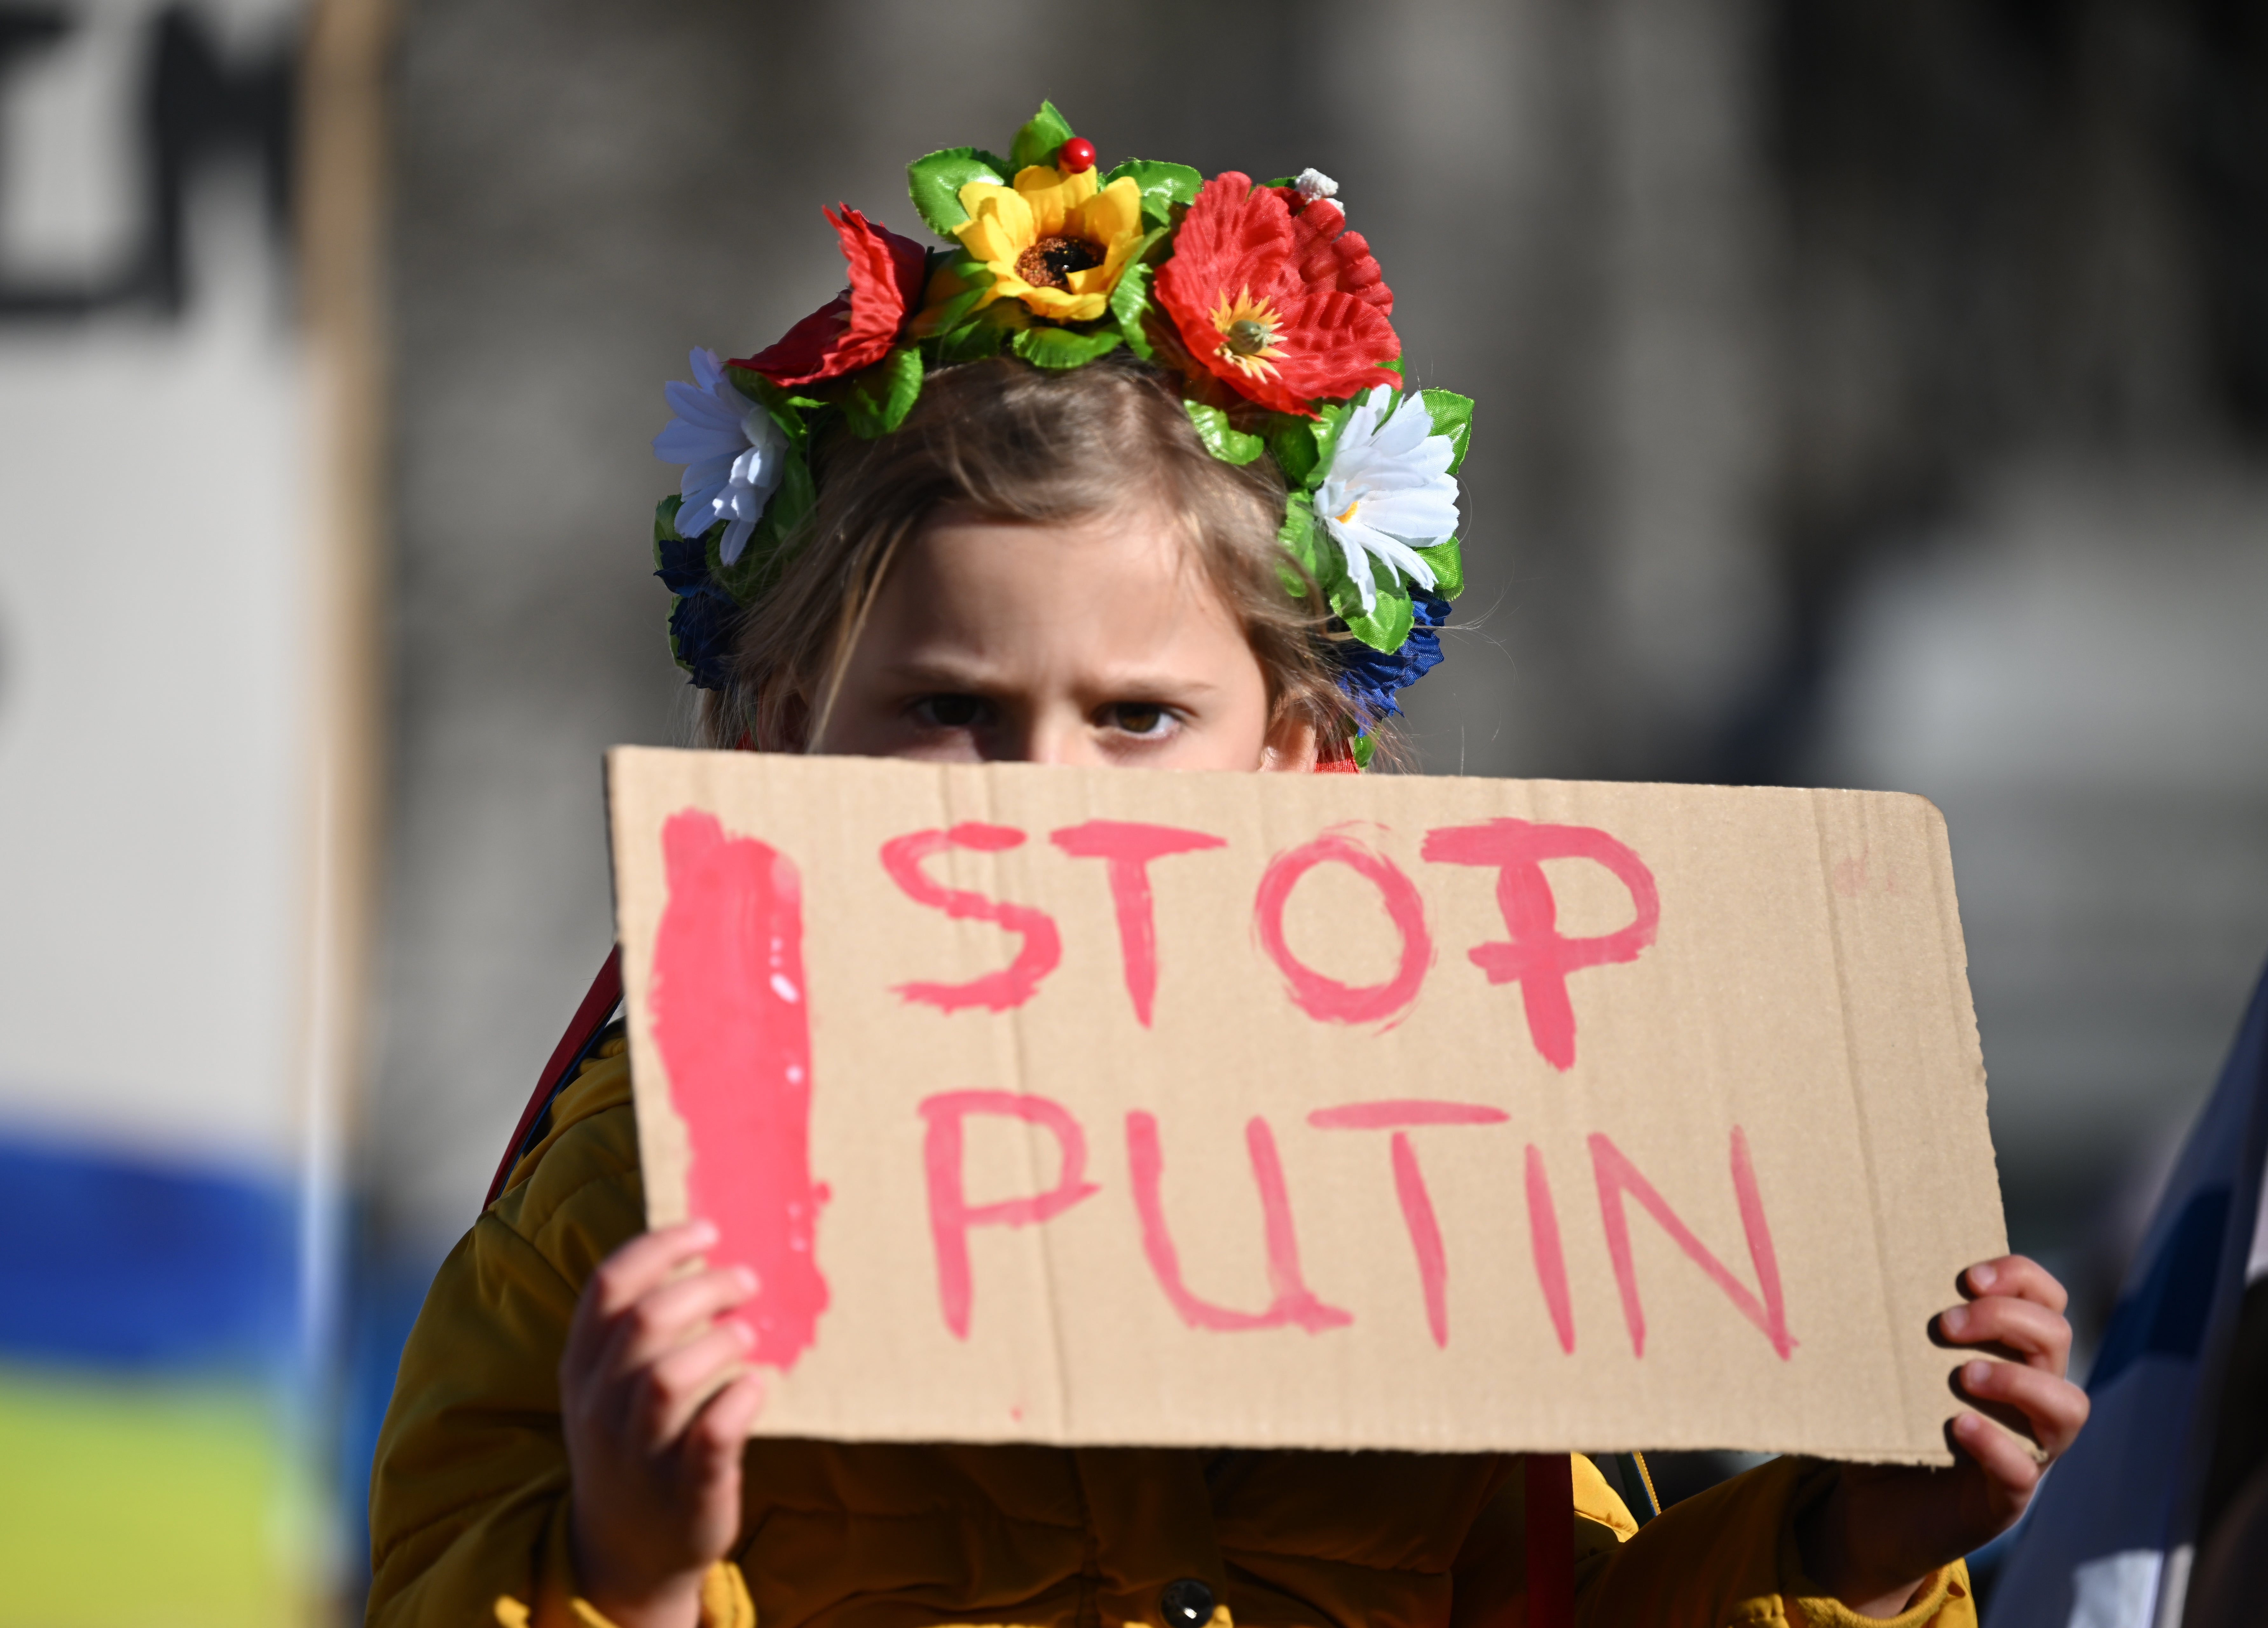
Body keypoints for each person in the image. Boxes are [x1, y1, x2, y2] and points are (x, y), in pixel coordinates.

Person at [366, 105, 2088, 1628]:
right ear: (787, 729)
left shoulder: (1457, 1161)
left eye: (1134, 717)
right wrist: (633, 1568)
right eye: (951, 709)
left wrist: (1860, 1551)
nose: (1037, 796)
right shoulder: (643, 1203)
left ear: (1288, 759)